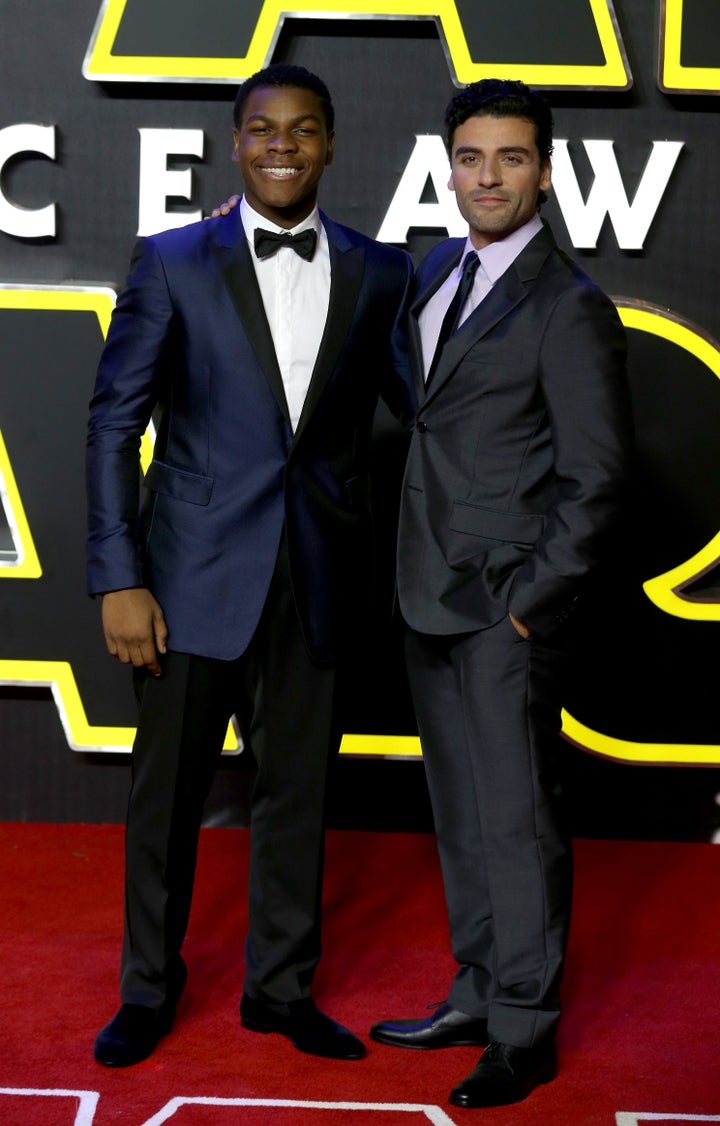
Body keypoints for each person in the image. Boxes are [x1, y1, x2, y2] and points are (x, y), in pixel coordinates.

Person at [86, 63, 413, 1068]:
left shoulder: (380, 272)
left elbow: (428, 420)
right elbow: (114, 423)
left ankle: (280, 989)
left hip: (316, 579)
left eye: (303, 129)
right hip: (185, 583)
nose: (283, 145)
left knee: (299, 797)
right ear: (237, 143)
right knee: (166, 799)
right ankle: (148, 986)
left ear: (328, 145)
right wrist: (118, 575)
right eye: (264, 129)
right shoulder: (175, 260)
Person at [368, 79, 633, 1108]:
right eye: (472, 158)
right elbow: (426, 407)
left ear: (546, 171)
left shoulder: (569, 305)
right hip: (426, 585)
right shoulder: (439, 270)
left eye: (511, 158)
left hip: (504, 609)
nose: (489, 176)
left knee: (516, 821)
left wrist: (533, 600)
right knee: (464, 813)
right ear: (449, 167)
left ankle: (524, 1029)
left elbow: (600, 474)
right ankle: (478, 989)